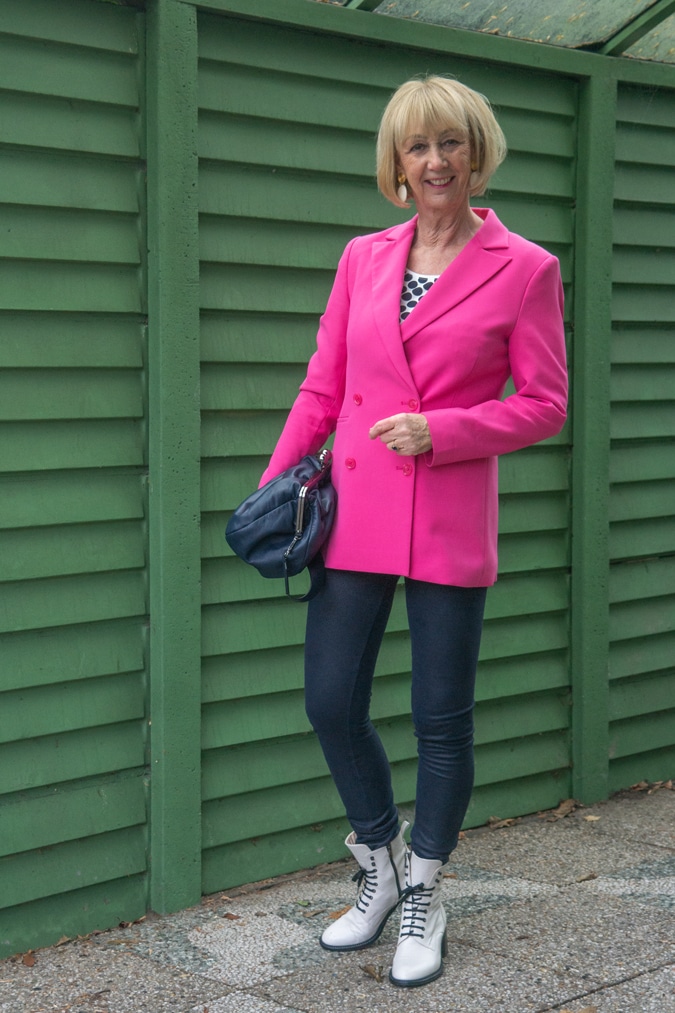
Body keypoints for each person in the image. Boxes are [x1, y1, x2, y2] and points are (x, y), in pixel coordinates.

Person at [259, 75, 568, 987]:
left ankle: (427, 886)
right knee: (329, 700)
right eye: (415, 146)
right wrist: (277, 489)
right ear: (395, 161)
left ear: (477, 152)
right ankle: (380, 863)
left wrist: (448, 429)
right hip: (352, 508)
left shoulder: (526, 266)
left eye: (450, 144)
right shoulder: (363, 256)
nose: (433, 162)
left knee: (440, 717)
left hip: (446, 510)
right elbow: (323, 384)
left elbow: (544, 403)